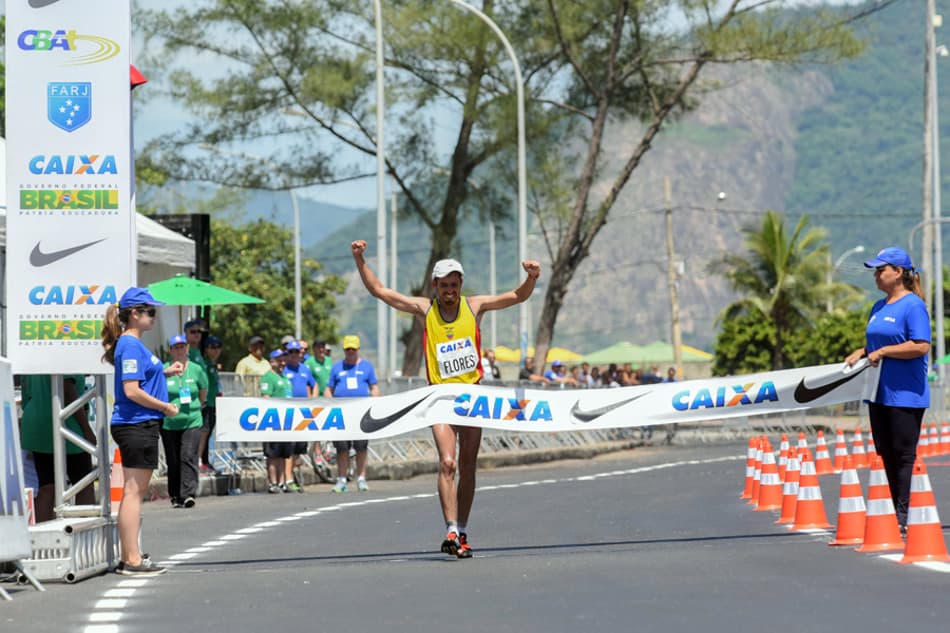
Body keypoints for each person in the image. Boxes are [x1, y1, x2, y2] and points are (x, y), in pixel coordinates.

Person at [351, 238, 541, 559]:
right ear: (435, 285)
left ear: (460, 283)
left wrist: (532, 277)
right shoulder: (425, 309)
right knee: (448, 462)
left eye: (454, 284)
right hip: (439, 397)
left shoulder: (474, 306)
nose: (449, 289)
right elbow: (381, 292)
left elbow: (515, 297)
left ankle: (463, 531)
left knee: (467, 467)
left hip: (471, 397)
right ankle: (450, 528)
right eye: (444, 285)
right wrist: (360, 259)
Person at [845, 246, 930, 535]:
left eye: (882, 270)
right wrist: (861, 351)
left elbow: (920, 345)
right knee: (883, 453)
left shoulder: (913, 306)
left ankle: (902, 514)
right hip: (879, 392)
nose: (877, 275)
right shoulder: (878, 307)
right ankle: (890, 508)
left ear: (899, 273)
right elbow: (874, 347)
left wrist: (884, 351)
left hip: (905, 394)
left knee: (902, 454)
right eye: (875, 270)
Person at [101, 287, 182, 576]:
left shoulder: (133, 344)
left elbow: (140, 379)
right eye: (150, 312)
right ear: (134, 314)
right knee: (133, 493)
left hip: (137, 423)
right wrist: (165, 407)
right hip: (137, 422)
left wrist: (165, 372)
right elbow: (132, 390)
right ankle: (131, 560)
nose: (154, 317)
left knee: (133, 492)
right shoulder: (131, 345)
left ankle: (130, 556)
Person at [19, 374, 96, 522]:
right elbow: (67, 390)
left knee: (46, 486)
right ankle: (85, 535)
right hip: (67, 425)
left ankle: (42, 540)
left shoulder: (30, 352)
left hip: (36, 424)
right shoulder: (64, 351)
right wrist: (87, 429)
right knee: (84, 484)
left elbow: (26, 394)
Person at [324, 335, 380, 493]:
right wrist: (328, 403)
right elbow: (329, 389)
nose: (350, 352)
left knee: (361, 446)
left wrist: (375, 404)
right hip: (341, 413)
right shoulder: (337, 368)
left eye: (353, 349)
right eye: (347, 349)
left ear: (358, 350)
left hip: (361, 413)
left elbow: (374, 388)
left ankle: (361, 478)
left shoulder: (367, 367)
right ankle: (341, 479)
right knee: (342, 447)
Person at [161, 334, 208, 508]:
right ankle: (175, 495)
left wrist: (197, 406)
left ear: (187, 349)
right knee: (173, 460)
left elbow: (203, 390)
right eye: (176, 347)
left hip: (192, 420)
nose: (180, 350)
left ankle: (188, 493)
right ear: (170, 350)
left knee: (187, 455)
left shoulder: (196, 369)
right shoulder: (164, 370)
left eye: (182, 346)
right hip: (169, 423)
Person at [260, 349, 294, 493]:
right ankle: (272, 482)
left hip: (286, 420)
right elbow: (266, 397)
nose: (282, 363)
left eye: (284, 360)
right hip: (273, 420)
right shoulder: (268, 377)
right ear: (272, 361)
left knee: (283, 454)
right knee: (273, 454)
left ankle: (282, 482)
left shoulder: (285, 378)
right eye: (279, 360)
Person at [282, 340, 315, 493]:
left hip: (303, 412)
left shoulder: (305, 369)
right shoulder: (284, 369)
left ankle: (291, 476)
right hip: (289, 411)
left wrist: (313, 400)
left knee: (298, 449)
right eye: (291, 352)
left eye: (297, 352)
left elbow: (314, 385)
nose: (294, 355)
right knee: (289, 447)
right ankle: (287, 479)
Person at [198, 335, 223, 471]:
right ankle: (199, 460)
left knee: (208, 432)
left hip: (214, 403)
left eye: (218, 347)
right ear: (206, 349)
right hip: (206, 403)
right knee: (204, 431)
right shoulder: (205, 364)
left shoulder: (213, 365)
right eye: (212, 347)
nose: (216, 350)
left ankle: (205, 460)